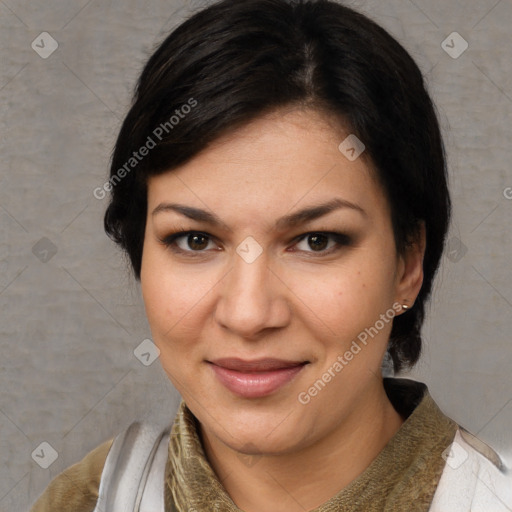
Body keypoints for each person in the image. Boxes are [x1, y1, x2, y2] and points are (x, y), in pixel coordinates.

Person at [30, 0, 512, 511]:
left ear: (408, 263)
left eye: (316, 241)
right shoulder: (83, 502)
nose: (248, 314)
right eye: (195, 239)